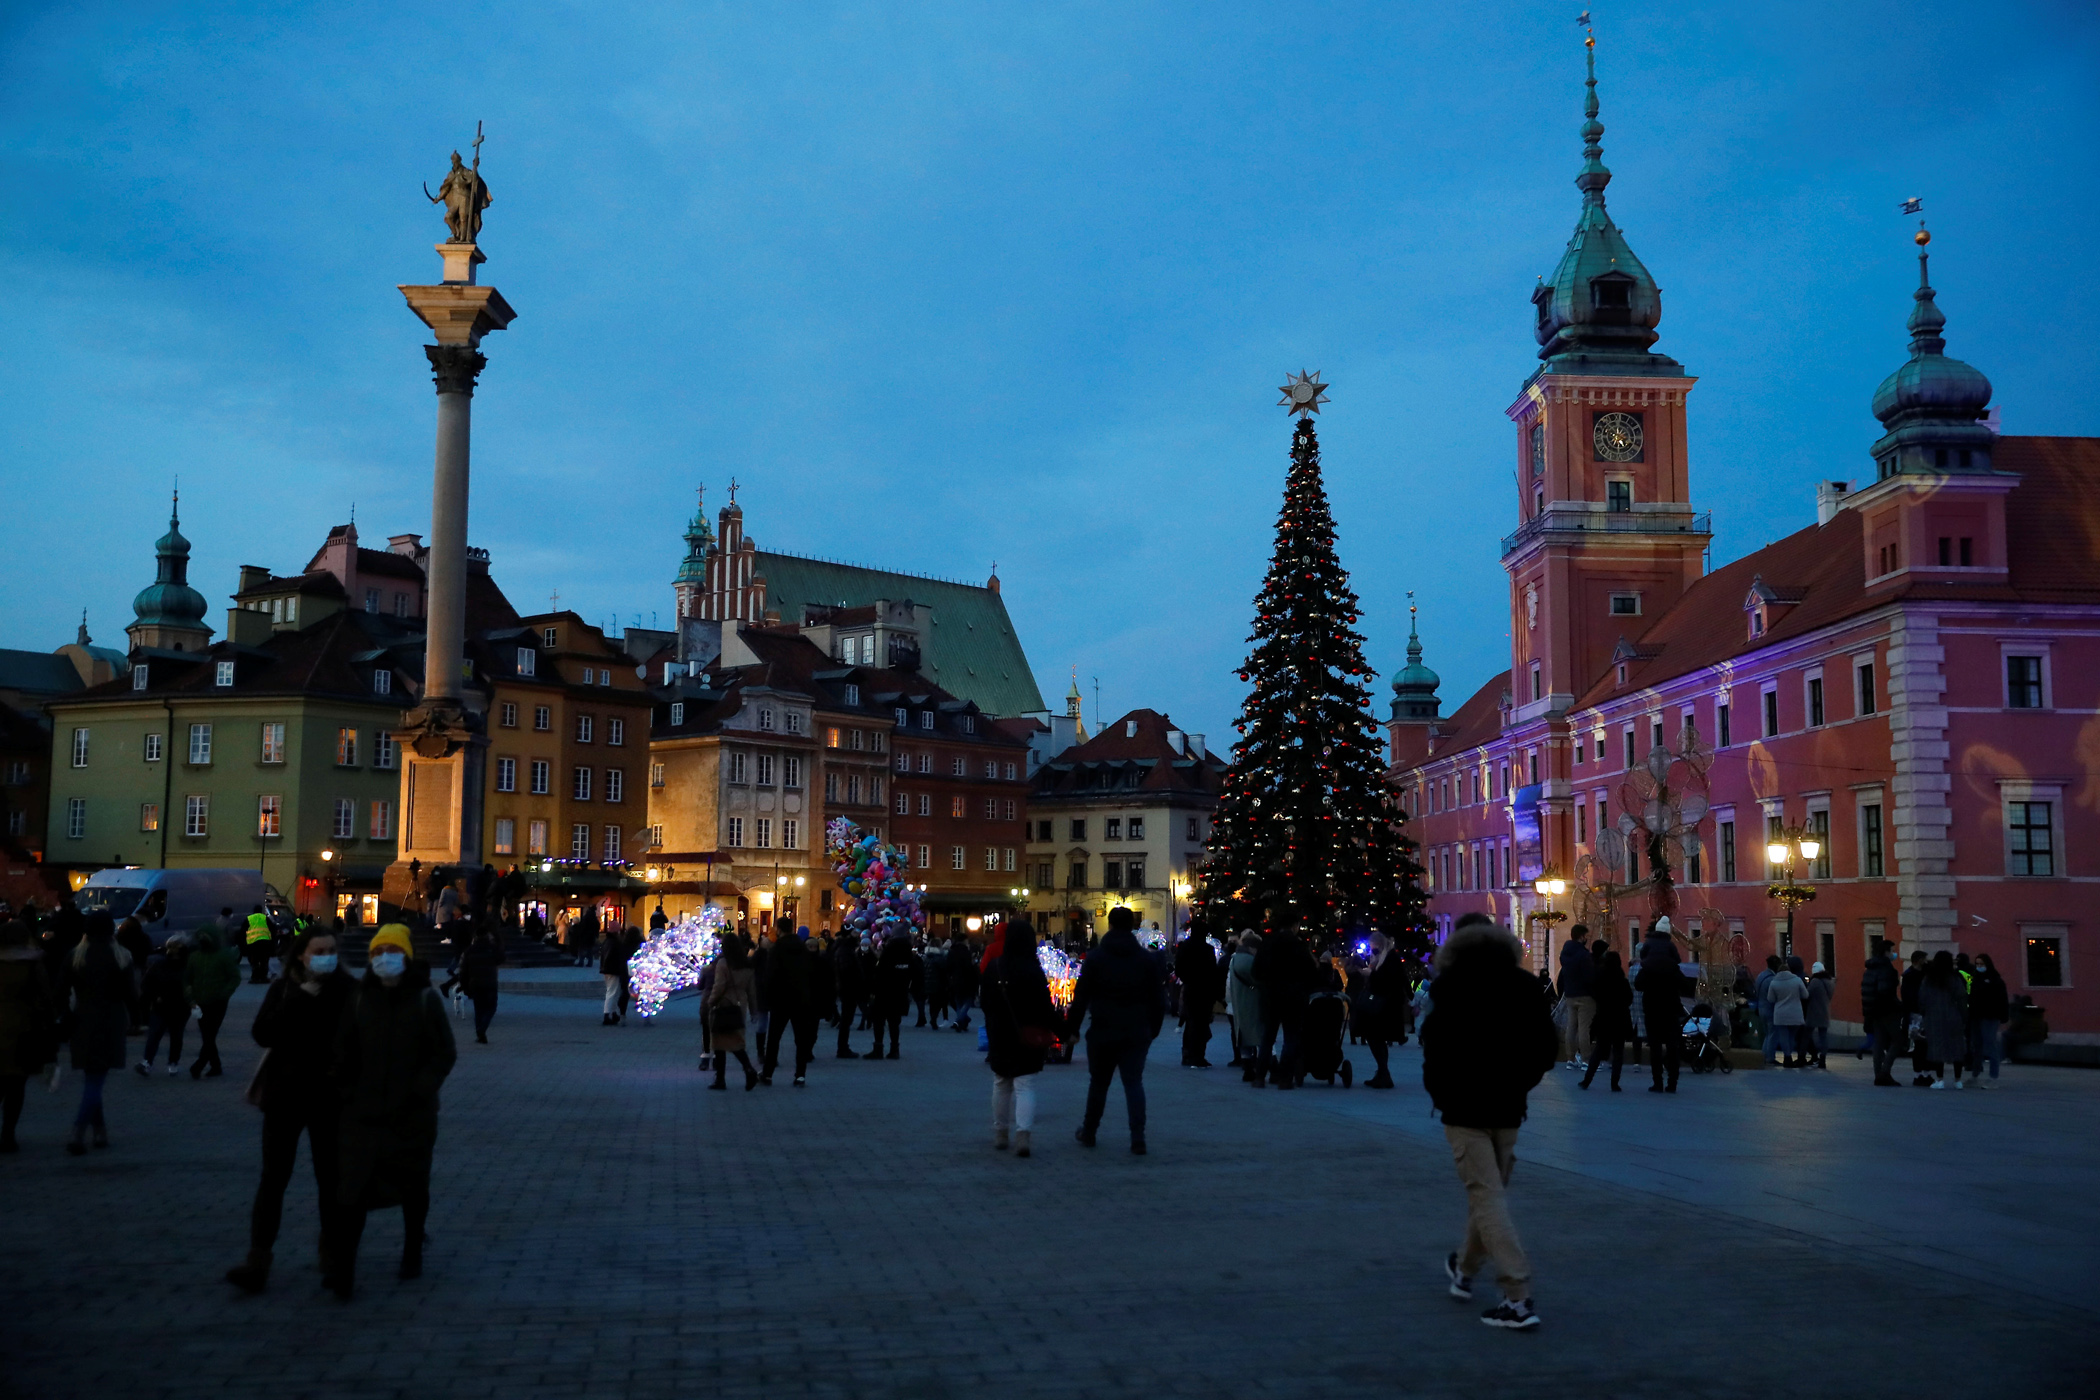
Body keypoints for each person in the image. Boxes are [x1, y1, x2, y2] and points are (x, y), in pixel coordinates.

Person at [1419, 914, 1556, 1331]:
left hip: (1463, 1110)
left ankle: (1517, 1296)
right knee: (1488, 1194)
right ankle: (1464, 1269)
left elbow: (1434, 1049)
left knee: (1487, 1197)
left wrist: (1441, 1093)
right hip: (1508, 1107)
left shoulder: (1449, 987)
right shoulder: (1526, 986)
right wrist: (1520, 1083)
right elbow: (1546, 1049)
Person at [225, 927, 356, 1293]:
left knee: (330, 1180)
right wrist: (299, 999)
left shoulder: (347, 990)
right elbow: (263, 1033)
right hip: (285, 1097)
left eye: (331, 949)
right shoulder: (283, 989)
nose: (327, 955)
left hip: (329, 1098)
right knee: (273, 1179)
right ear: (302, 954)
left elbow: (358, 1040)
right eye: (319, 950)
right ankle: (258, 1259)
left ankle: (332, 1257)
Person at [332, 925, 456, 1296]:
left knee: (414, 1185)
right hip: (363, 1113)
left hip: (411, 1115)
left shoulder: (424, 998)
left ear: (406, 956)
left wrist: (420, 1089)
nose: (384, 958)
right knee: (352, 1189)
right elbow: (343, 1051)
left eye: (392, 951)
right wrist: (347, 1091)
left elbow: (444, 1053)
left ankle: (412, 1248)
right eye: (377, 952)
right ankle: (343, 1267)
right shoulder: (358, 998)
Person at [1065, 906, 1166, 1154]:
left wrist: (1072, 1029)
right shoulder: (1145, 959)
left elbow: (1081, 996)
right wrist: (1153, 1028)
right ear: (1131, 926)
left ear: (1109, 925)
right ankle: (1137, 1136)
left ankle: (1089, 1131)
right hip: (1136, 1029)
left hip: (1103, 1029)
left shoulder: (1096, 958)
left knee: (1098, 1083)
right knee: (1133, 1083)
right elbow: (1158, 997)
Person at [983, 918, 1059, 1157]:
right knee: (1025, 1086)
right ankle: (1023, 1136)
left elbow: (984, 1001)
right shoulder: (1033, 969)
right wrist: (1065, 1031)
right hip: (1027, 1034)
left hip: (999, 1033)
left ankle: (1000, 1133)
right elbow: (1046, 1008)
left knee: (1001, 1083)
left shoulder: (994, 967)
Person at [65, 912, 137, 1155]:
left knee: (91, 1077)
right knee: (95, 1081)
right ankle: (80, 1129)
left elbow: (58, 991)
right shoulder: (121, 957)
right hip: (111, 1021)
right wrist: (138, 1018)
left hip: (82, 1020)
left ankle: (99, 1131)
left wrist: (64, 1015)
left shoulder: (76, 956)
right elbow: (131, 995)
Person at [0, 919, 57, 1152]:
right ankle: (8, 1135)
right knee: (15, 1086)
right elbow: (45, 997)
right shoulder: (32, 963)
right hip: (22, 1028)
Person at [1253, 925, 1318, 1089]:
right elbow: (1311, 971)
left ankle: (1260, 1076)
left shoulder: (1267, 944)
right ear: (1295, 926)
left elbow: (1256, 971)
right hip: (1293, 997)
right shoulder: (1298, 946)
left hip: (1271, 996)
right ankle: (1285, 1078)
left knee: (1267, 1038)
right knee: (1291, 1038)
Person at [760, 919, 817, 1087]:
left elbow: (770, 975)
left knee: (774, 1038)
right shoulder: (802, 947)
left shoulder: (777, 948)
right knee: (801, 1039)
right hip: (800, 999)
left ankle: (768, 1074)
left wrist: (767, 998)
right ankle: (800, 1075)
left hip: (780, 1000)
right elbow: (810, 973)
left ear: (778, 929)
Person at [1634, 922, 1688, 1092]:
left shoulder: (1647, 966)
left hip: (1651, 1009)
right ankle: (1672, 1082)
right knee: (1673, 1046)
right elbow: (1685, 985)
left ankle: (1657, 1082)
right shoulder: (1673, 966)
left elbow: (1638, 985)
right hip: (1671, 1008)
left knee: (1655, 1046)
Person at [704, 936, 759, 1091]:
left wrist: (711, 1001)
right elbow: (752, 991)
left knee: (719, 1043)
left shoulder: (723, 963)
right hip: (739, 1006)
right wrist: (754, 1011)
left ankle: (722, 1078)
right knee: (736, 1040)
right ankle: (747, 1070)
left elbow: (719, 985)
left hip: (723, 1005)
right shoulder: (747, 965)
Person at [185, 927, 240, 1078]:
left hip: (218, 1002)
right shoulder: (195, 957)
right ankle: (215, 1066)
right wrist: (190, 998)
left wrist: (224, 994)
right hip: (200, 1002)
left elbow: (234, 977)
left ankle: (201, 1064)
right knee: (207, 1035)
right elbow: (187, 979)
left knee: (209, 1034)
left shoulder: (223, 957)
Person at [136, 933, 193, 1077]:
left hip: (169, 1006)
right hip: (171, 1006)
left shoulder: (161, 964)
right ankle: (160, 1062)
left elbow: (146, 983)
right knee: (168, 1035)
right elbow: (146, 984)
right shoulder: (182, 966)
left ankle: (157, 1062)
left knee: (163, 1035)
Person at [1577, 949, 1634, 1090]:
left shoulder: (1600, 980)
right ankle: (1615, 1083)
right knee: (1618, 1052)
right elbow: (1629, 999)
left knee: (1598, 1050)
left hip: (1603, 1018)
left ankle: (1587, 1080)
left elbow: (1595, 994)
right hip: (1620, 1020)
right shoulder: (1622, 981)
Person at [1360, 931, 1411, 1088]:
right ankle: (1382, 1072)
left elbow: (1388, 980)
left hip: (1386, 1005)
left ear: (1379, 944)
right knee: (1376, 1038)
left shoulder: (1390, 957)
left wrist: (1371, 974)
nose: (1371, 949)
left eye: (1372, 945)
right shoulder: (1385, 957)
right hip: (1385, 1003)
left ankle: (1383, 1073)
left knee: (1375, 1037)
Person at [1918, 950, 1970, 1089]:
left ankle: (1940, 1080)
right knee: (1957, 1048)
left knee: (1937, 1048)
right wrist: (1964, 1017)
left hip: (1934, 1018)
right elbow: (1962, 999)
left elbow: (1922, 999)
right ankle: (1957, 1080)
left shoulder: (1928, 979)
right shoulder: (1954, 979)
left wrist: (1925, 1014)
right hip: (1953, 1017)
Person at [1860, 938, 1905, 1086]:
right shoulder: (1886, 969)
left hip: (1872, 1010)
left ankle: (1878, 1073)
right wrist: (1898, 1005)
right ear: (1886, 952)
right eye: (1892, 951)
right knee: (1898, 1040)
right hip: (1887, 1010)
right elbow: (1885, 992)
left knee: (1879, 1042)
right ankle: (1885, 1072)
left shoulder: (1869, 969)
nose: (1894, 954)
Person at [1174, 930, 1220, 1068]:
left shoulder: (1184, 948)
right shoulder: (1208, 949)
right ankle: (1198, 1055)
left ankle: (1187, 1054)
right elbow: (1212, 971)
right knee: (1201, 1024)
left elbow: (1178, 969)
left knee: (1190, 1022)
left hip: (1189, 989)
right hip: (1204, 991)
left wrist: (1186, 979)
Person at [868, 933, 914, 1059]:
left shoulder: (887, 957)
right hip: (900, 994)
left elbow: (878, 974)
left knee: (879, 1022)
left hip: (883, 994)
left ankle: (878, 1048)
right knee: (894, 1023)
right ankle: (894, 1049)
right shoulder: (908, 958)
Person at [1556, 927, 1595, 1071]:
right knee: (1584, 1028)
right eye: (1586, 936)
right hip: (1585, 995)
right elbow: (1589, 977)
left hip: (1570, 994)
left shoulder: (1565, 954)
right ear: (1581, 937)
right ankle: (1585, 1058)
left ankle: (1570, 1058)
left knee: (1571, 1027)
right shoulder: (1584, 955)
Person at [1967, 953, 2009, 1086]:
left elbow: (2003, 999)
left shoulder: (1996, 980)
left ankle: (1993, 1076)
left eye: (1982, 964)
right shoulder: (1974, 978)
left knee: (1990, 1044)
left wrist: (2003, 1016)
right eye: (1977, 964)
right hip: (1976, 1016)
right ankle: (1975, 1075)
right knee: (1976, 1045)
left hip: (1991, 1016)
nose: (1979, 966)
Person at [1226, 932, 1264, 1078]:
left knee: (1243, 1037)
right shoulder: (1249, 961)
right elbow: (1260, 979)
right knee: (1259, 1035)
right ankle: (1263, 1068)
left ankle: (1247, 1067)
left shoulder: (1235, 959)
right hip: (1252, 1002)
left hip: (1237, 1002)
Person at [458, 925, 503, 1044]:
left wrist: (464, 985)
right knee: (491, 1008)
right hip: (490, 983)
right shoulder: (492, 948)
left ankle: (480, 1033)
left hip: (475, 983)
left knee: (479, 1009)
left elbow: (462, 970)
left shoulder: (469, 950)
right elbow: (501, 959)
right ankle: (482, 1028)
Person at [1767, 957, 1808, 1068]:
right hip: (1795, 1012)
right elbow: (1805, 995)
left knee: (1783, 1036)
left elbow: (1770, 999)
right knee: (1792, 1036)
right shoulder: (1797, 980)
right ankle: (1790, 1055)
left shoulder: (1774, 982)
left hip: (1780, 1013)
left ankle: (1787, 1057)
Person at [832, 931, 865, 1058]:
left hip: (846, 988)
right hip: (848, 989)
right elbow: (847, 971)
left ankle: (843, 1047)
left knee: (846, 1019)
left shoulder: (843, 950)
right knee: (846, 1019)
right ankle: (842, 1048)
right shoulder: (846, 951)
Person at [1803, 961, 1835, 1069]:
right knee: (1823, 1036)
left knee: (1806, 1035)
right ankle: (1823, 1059)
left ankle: (1802, 1056)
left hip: (1813, 1011)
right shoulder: (1830, 981)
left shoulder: (1815, 981)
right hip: (1825, 1011)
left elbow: (1807, 994)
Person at [947, 931, 980, 1034]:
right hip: (967, 979)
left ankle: (962, 1019)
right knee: (968, 1002)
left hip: (955, 980)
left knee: (958, 1002)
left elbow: (948, 967)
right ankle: (959, 1020)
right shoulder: (967, 953)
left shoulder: (952, 952)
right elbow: (971, 967)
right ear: (964, 941)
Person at [598, 924, 628, 1027]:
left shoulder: (607, 941)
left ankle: (613, 1013)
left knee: (613, 991)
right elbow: (617, 957)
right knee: (612, 992)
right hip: (613, 970)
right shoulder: (615, 943)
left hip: (607, 969)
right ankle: (607, 1015)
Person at [243, 905, 273, 984]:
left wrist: (244, 944)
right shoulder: (265, 918)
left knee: (254, 961)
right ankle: (263, 977)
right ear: (261, 910)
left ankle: (255, 978)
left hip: (253, 943)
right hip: (265, 943)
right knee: (264, 961)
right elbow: (273, 929)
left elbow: (243, 931)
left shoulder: (249, 918)